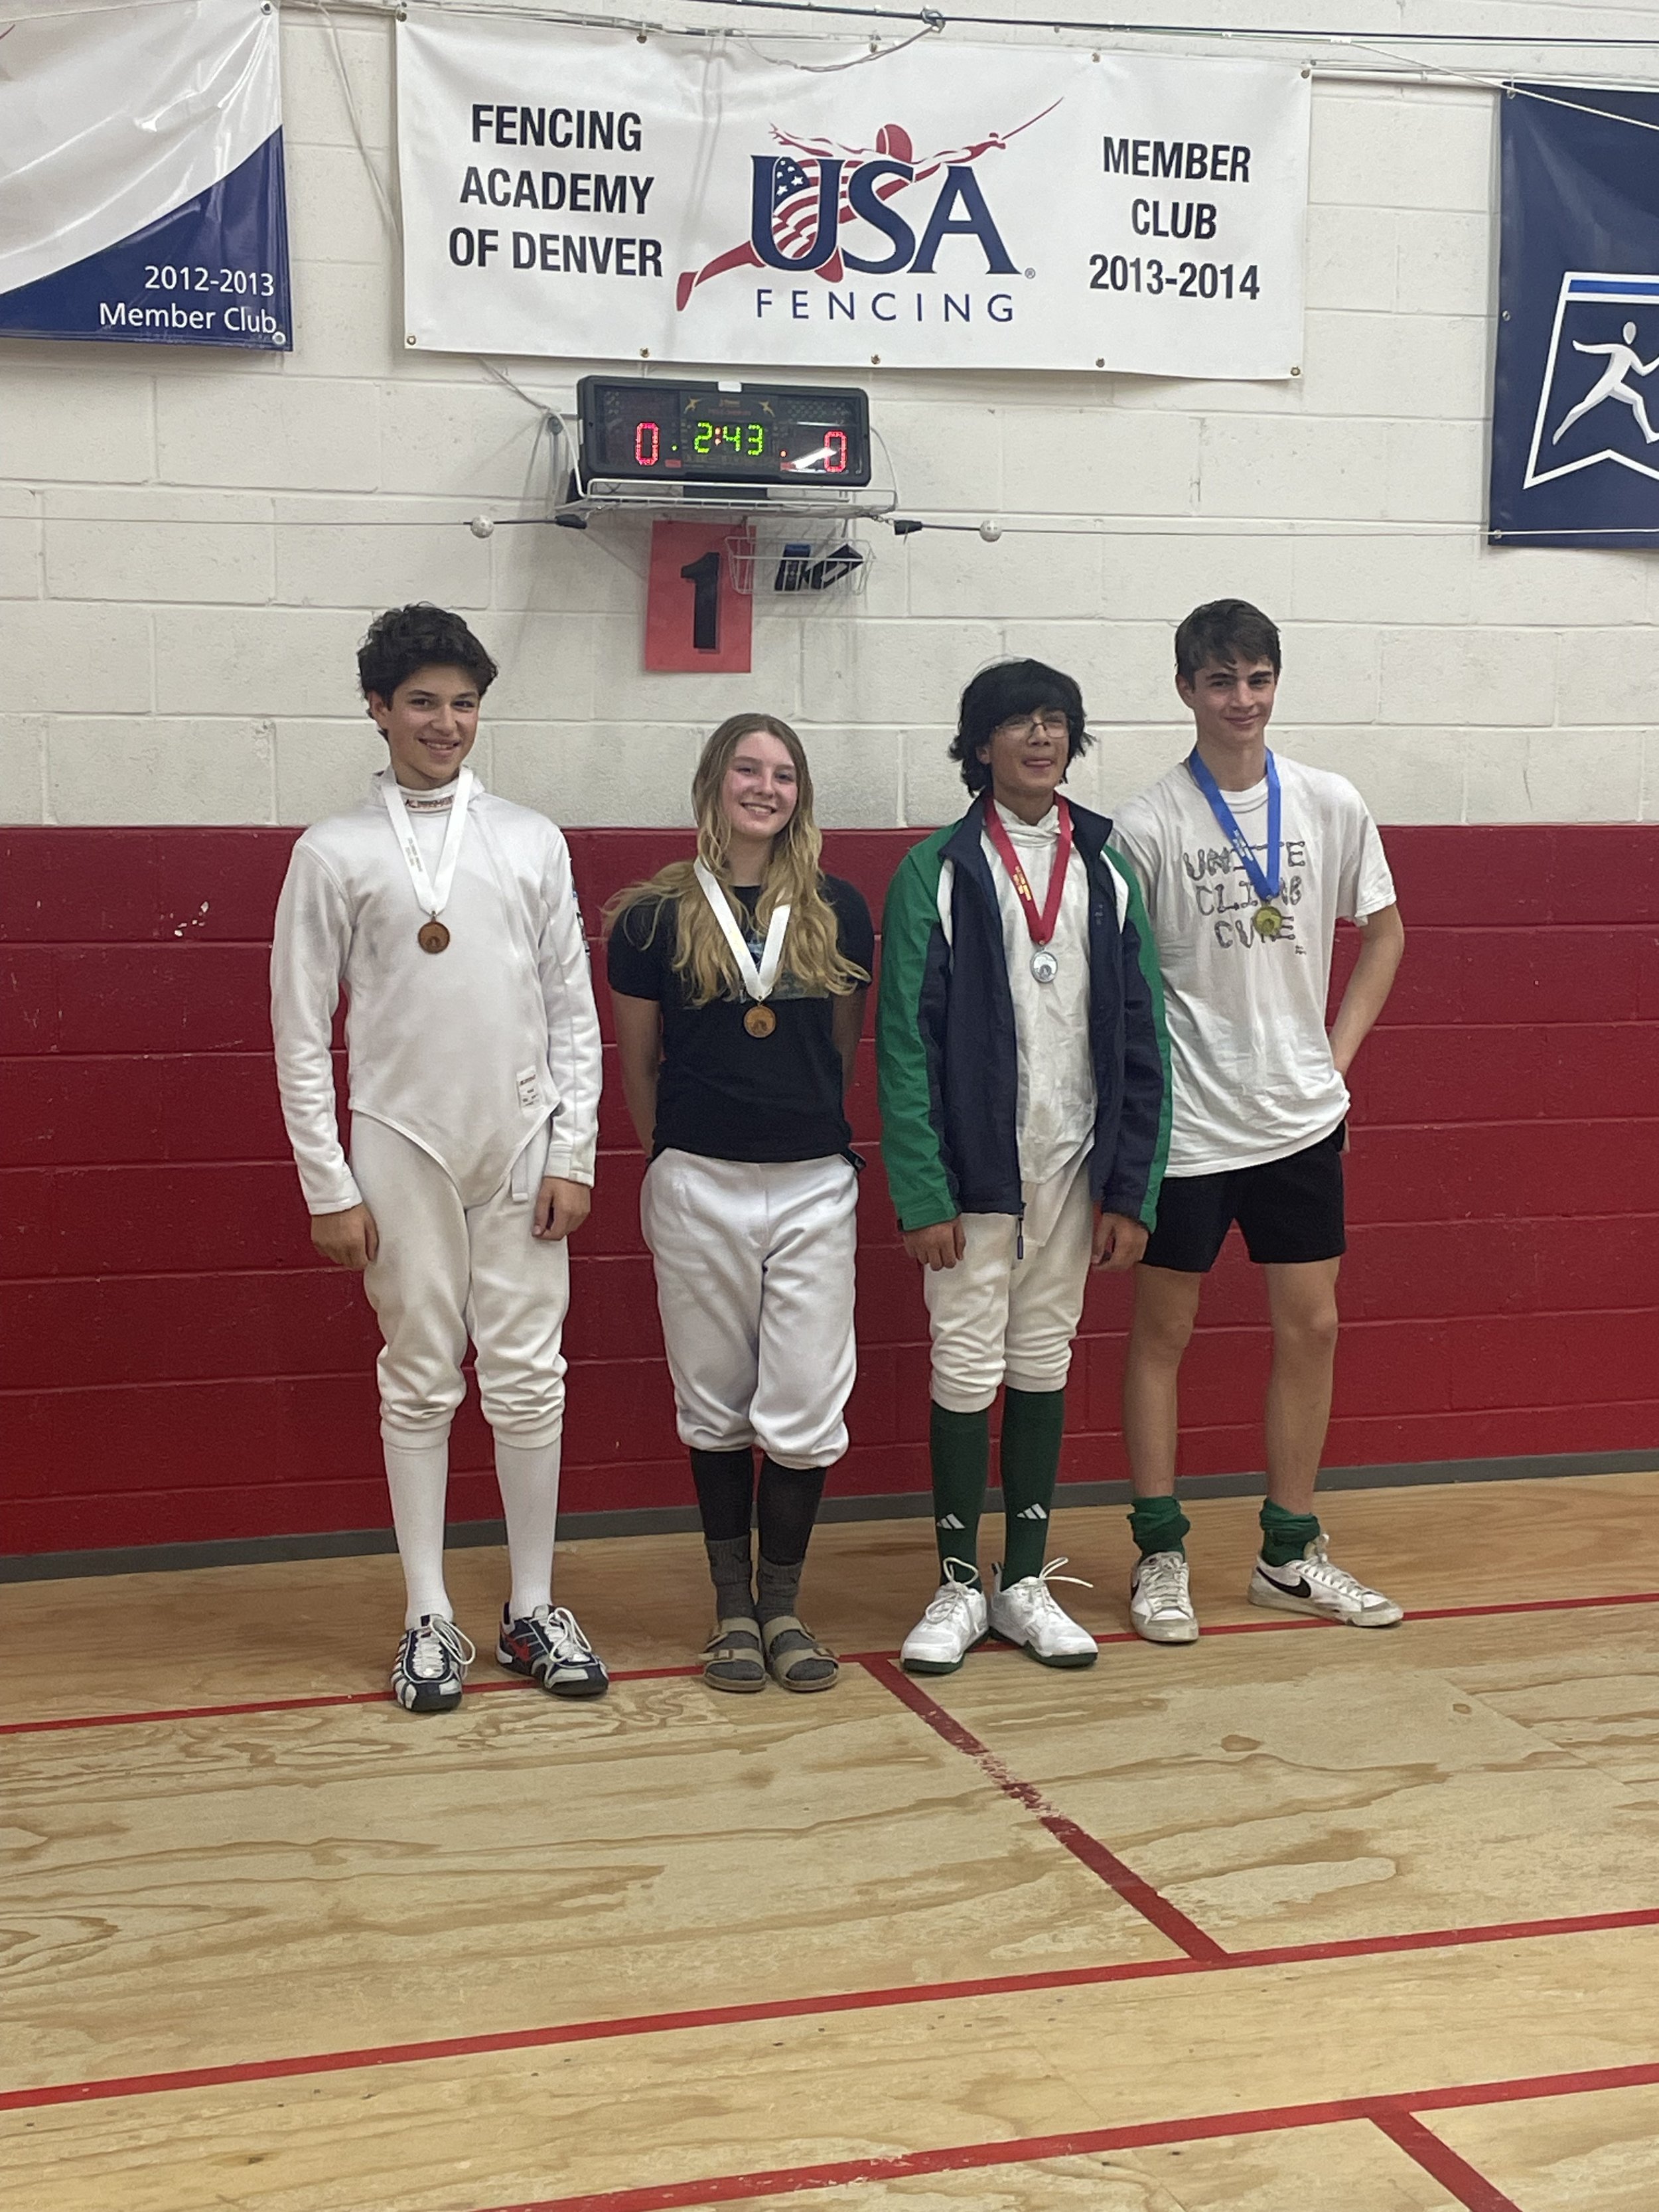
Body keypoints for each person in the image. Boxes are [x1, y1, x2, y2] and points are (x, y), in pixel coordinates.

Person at [271, 604, 606, 1714]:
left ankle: (532, 1603)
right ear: (378, 708)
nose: (445, 722)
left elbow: (572, 1009)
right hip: (399, 1145)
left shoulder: (530, 838)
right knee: (419, 1373)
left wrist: (575, 1151)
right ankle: (428, 1613)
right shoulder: (334, 851)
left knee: (527, 1377)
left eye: (463, 703)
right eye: (422, 701)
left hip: (517, 1139)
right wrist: (330, 1182)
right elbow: (299, 1028)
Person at [1110, 598, 1407, 1644]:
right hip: (1190, 1129)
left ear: (1277, 683)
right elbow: (1121, 990)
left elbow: (1385, 931)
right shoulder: (1146, 824)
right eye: (1221, 680)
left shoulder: (1328, 802)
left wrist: (1337, 1055)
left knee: (1312, 1326)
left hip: (1299, 1118)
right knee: (1164, 1332)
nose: (1242, 699)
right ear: (1186, 689)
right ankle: (1159, 1550)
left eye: (1258, 678)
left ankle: (1288, 1550)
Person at [877, 660, 1170, 1675]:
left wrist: (1131, 1187)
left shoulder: (1109, 865)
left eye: (1056, 722)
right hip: (974, 1179)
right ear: (981, 744)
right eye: (1018, 724)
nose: (1040, 739)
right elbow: (904, 1045)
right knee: (965, 1361)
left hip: (1077, 1166)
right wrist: (923, 1189)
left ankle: (1028, 1579)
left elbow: (1144, 1036)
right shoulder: (938, 870)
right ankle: (961, 1582)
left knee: (1044, 1358)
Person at [606, 715, 873, 1693]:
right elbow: (637, 1063)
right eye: (748, 769)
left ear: (801, 792)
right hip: (697, 1180)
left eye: (785, 773)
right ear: (713, 781)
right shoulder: (650, 915)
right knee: (714, 1402)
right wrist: (672, 1156)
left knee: (804, 1402)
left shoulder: (837, 906)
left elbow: (841, 1051)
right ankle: (731, 1613)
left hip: (810, 1182)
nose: (767, 787)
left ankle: (785, 1607)